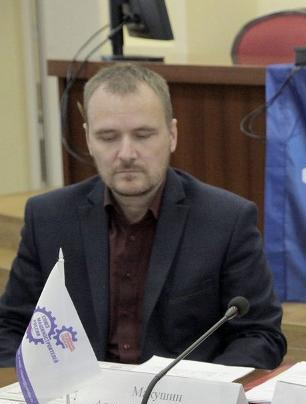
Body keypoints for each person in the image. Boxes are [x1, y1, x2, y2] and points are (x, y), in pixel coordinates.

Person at [0, 63, 286, 368]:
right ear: (88, 139)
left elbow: (260, 335)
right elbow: (10, 327)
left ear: (172, 135)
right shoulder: (48, 218)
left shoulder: (227, 220)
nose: (126, 153)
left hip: (181, 394)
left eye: (143, 135)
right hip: (76, 393)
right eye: (108, 137)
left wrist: (205, 388)